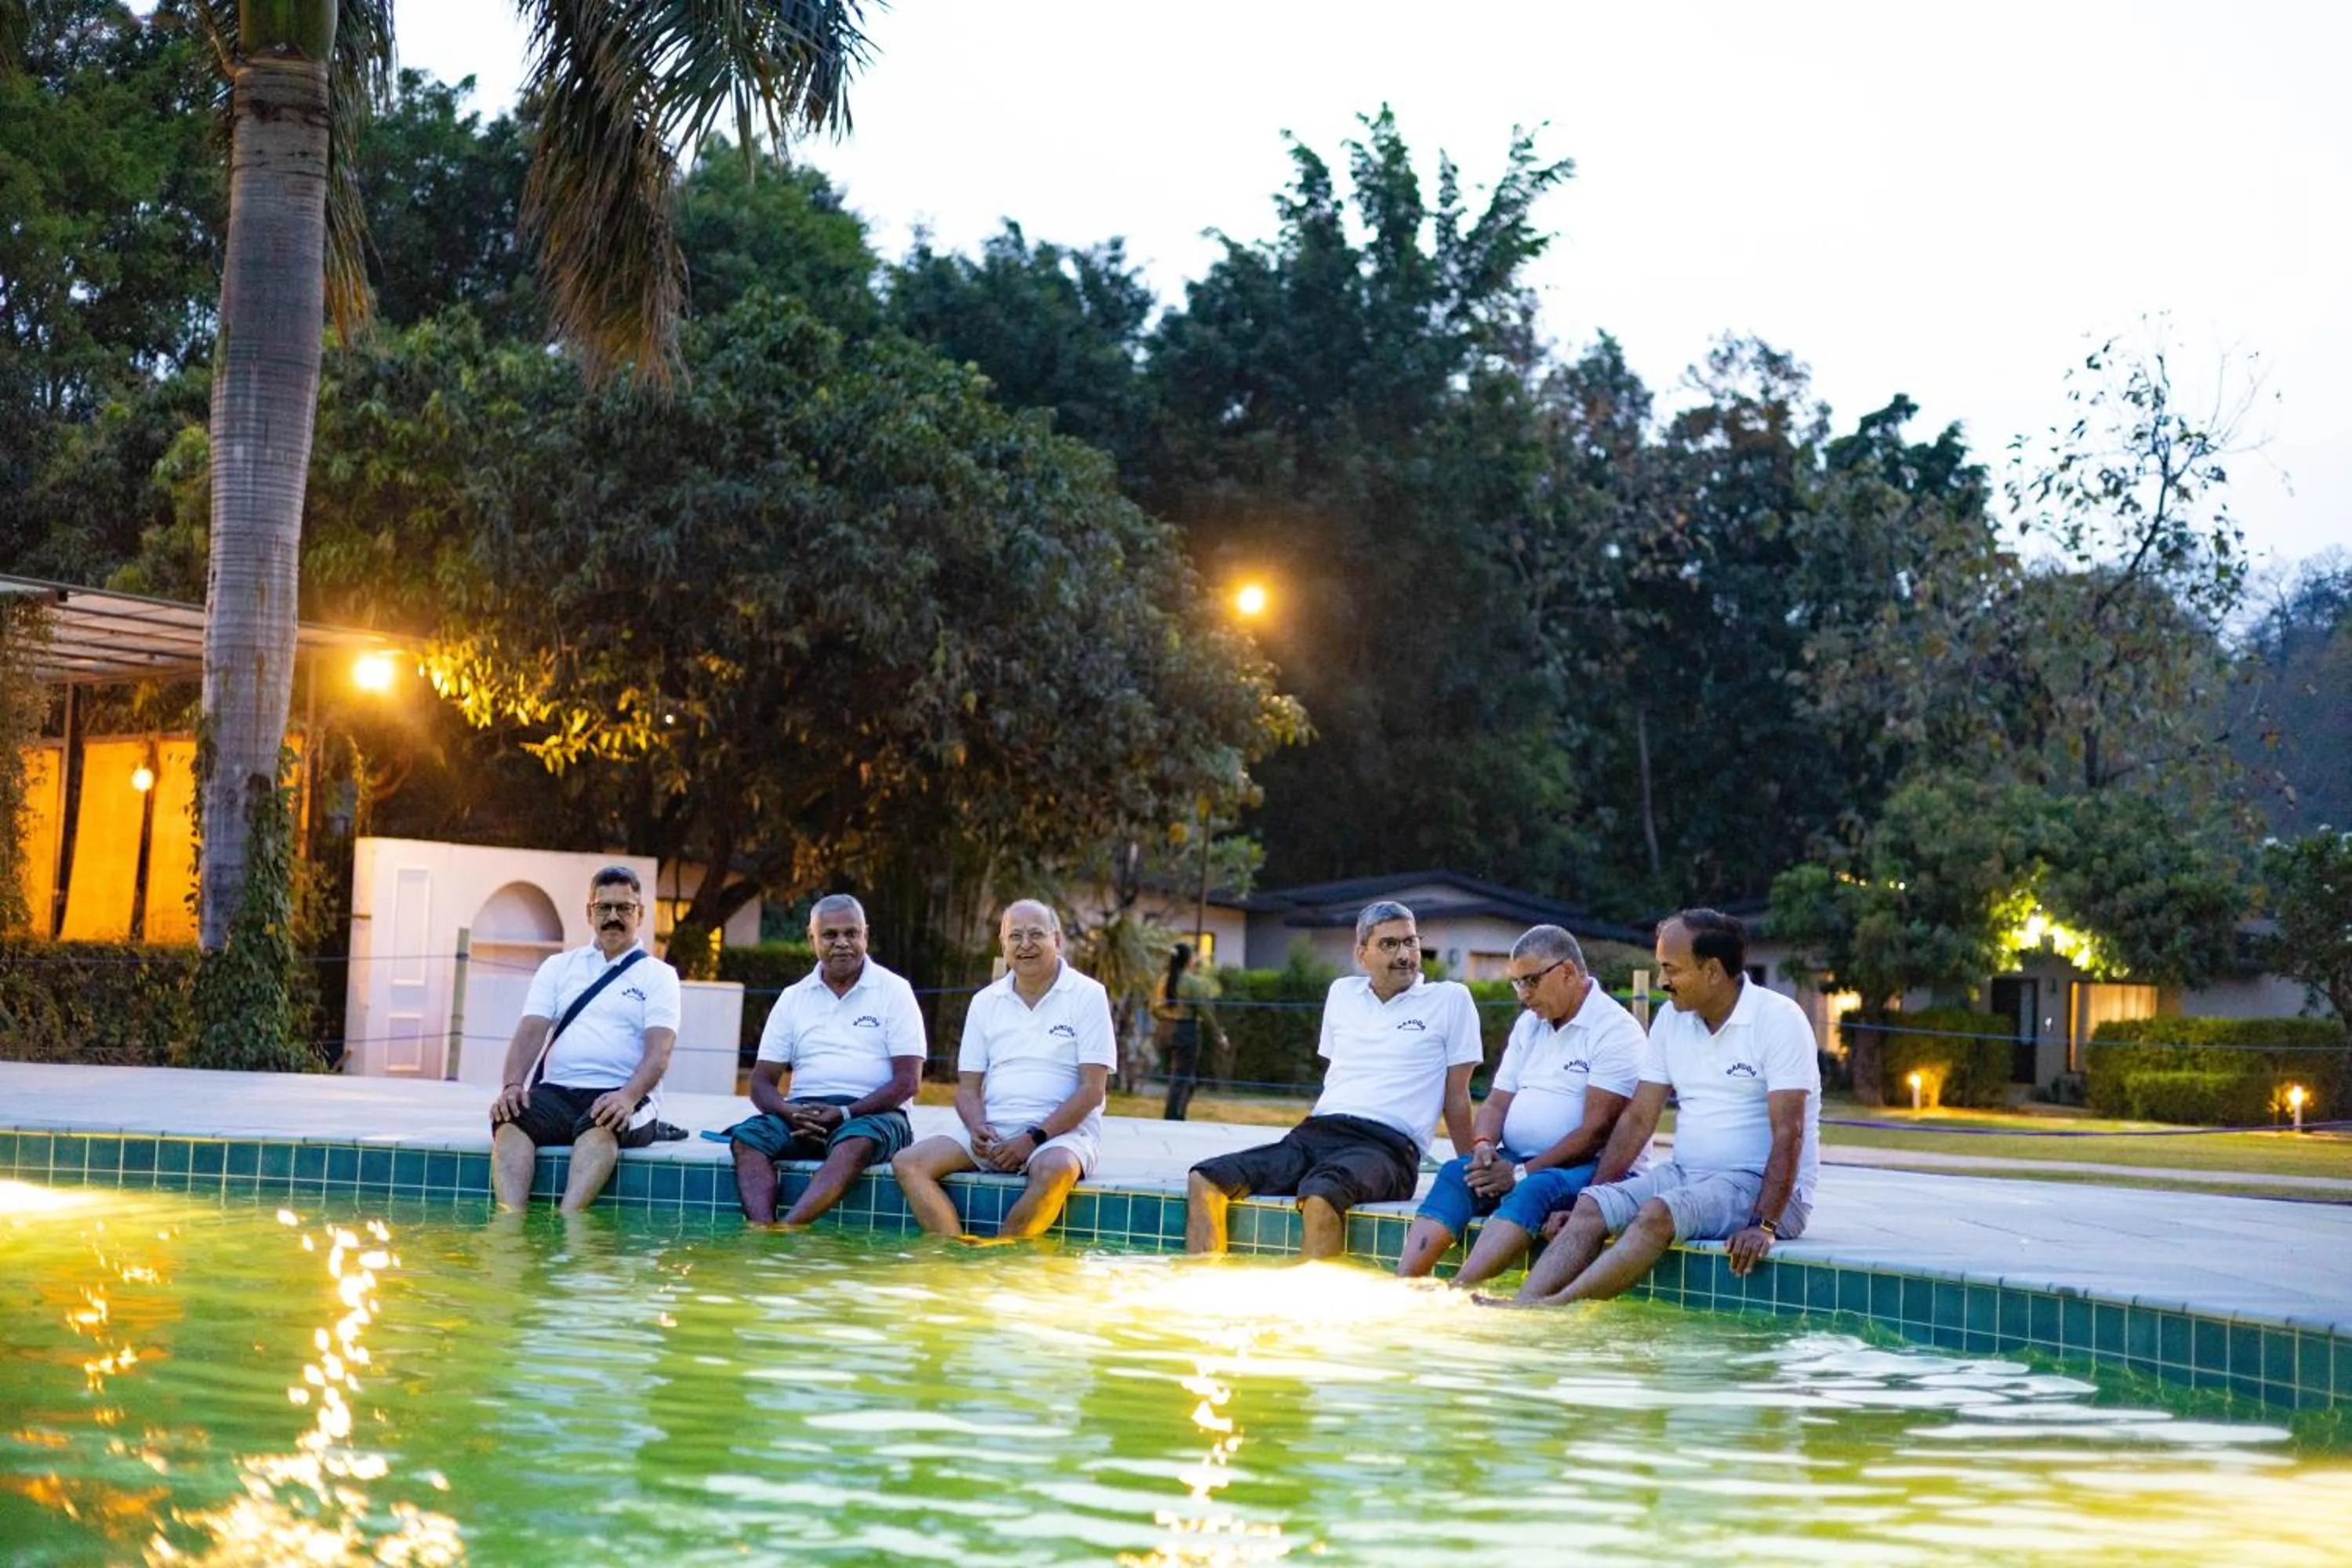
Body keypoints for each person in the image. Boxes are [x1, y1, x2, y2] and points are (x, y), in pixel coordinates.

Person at [1508, 907, 1821, 1305]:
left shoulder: (1778, 1019)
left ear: (1712, 971)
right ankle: (1521, 1307)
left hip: (1762, 1188)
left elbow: (1790, 1130)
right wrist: (1599, 1192)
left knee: (1658, 1213)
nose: (1661, 981)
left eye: (1670, 969)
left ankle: (1554, 1307)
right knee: (1589, 1206)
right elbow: (1638, 1119)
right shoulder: (1672, 1020)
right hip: (1686, 1175)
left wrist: (1765, 1224)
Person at [1186, 901, 1481, 1261]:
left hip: (1388, 1148)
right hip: (1317, 1134)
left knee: (1321, 1195)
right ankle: (1205, 1279)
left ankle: (1314, 1296)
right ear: (1362, 954)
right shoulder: (1342, 993)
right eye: (1389, 944)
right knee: (1205, 1179)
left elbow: (1457, 1097)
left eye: (1411, 942)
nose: (1405, 955)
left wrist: (1470, 1170)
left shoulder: (1450, 999)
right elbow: (1341, 1076)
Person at [1394, 924, 1646, 1285]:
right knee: (1456, 1173)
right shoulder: (1530, 1025)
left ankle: (1458, 1291)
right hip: (1520, 1160)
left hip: (1588, 1167)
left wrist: (1518, 1174)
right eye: (1517, 983)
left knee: (1534, 1188)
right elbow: (1497, 1103)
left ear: (1567, 972)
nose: (1523, 995)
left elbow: (1596, 1131)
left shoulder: (1615, 1030)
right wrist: (1483, 1147)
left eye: (1530, 981)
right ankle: (1405, 1282)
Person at [891, 900, 1116, 1240]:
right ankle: (954, 1252)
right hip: (994, 1131)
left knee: (1056, 1169)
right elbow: (968, 1089)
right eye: (1015, 936)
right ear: (1003, 945)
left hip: (1062, 1135)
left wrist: (1032, 1139)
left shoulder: (1088, 995)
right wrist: (977, 1128)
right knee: (909, 1163)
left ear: (1057, 940)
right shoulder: (985, 1001)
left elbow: (1092, 1091)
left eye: (1036, 934)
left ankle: (999, 1256)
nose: (1025, 944)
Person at [488, 866, 681, 1214]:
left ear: (640, 914)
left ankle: (569, 1224)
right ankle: (509, 1227)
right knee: (511, 1120)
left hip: (621, 1093)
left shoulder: (660, 976)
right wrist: (512, 1086)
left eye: (624, 908)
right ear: (589, 912)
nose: (613, 917)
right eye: (604, 907)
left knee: (603, 1124)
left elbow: (660, 1051)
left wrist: (627, 1097)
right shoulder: (558, 967)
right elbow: (530, 1031)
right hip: (557, 1091)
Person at [724, 895, 926, 1226]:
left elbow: (908, 1082)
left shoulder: (894, 991)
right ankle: (763, 1230)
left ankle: (789, 1229)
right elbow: (761, 1082)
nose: (842, 943)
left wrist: (845, 1113)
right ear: (812, 938)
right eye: (830, 935)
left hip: (875, 1115)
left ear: (865, 935)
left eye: (851, 933)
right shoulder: (793, 998)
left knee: (855, 1143)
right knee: (747, 1140)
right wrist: (788, 1112)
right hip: (803, 1113)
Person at [1154, 942, 1229, 1120]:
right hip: (1185, 1030)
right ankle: (1174, 1117)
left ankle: (1175, 1114)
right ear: (1188, 960)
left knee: (1179, 1076)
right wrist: (1219, 1035)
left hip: (1165, 1030)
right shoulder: (1191, 982)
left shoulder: (1164, 980)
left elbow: (1154, 1007)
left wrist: (1166, 1019)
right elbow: (1204, 1010)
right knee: (1183, 1077)